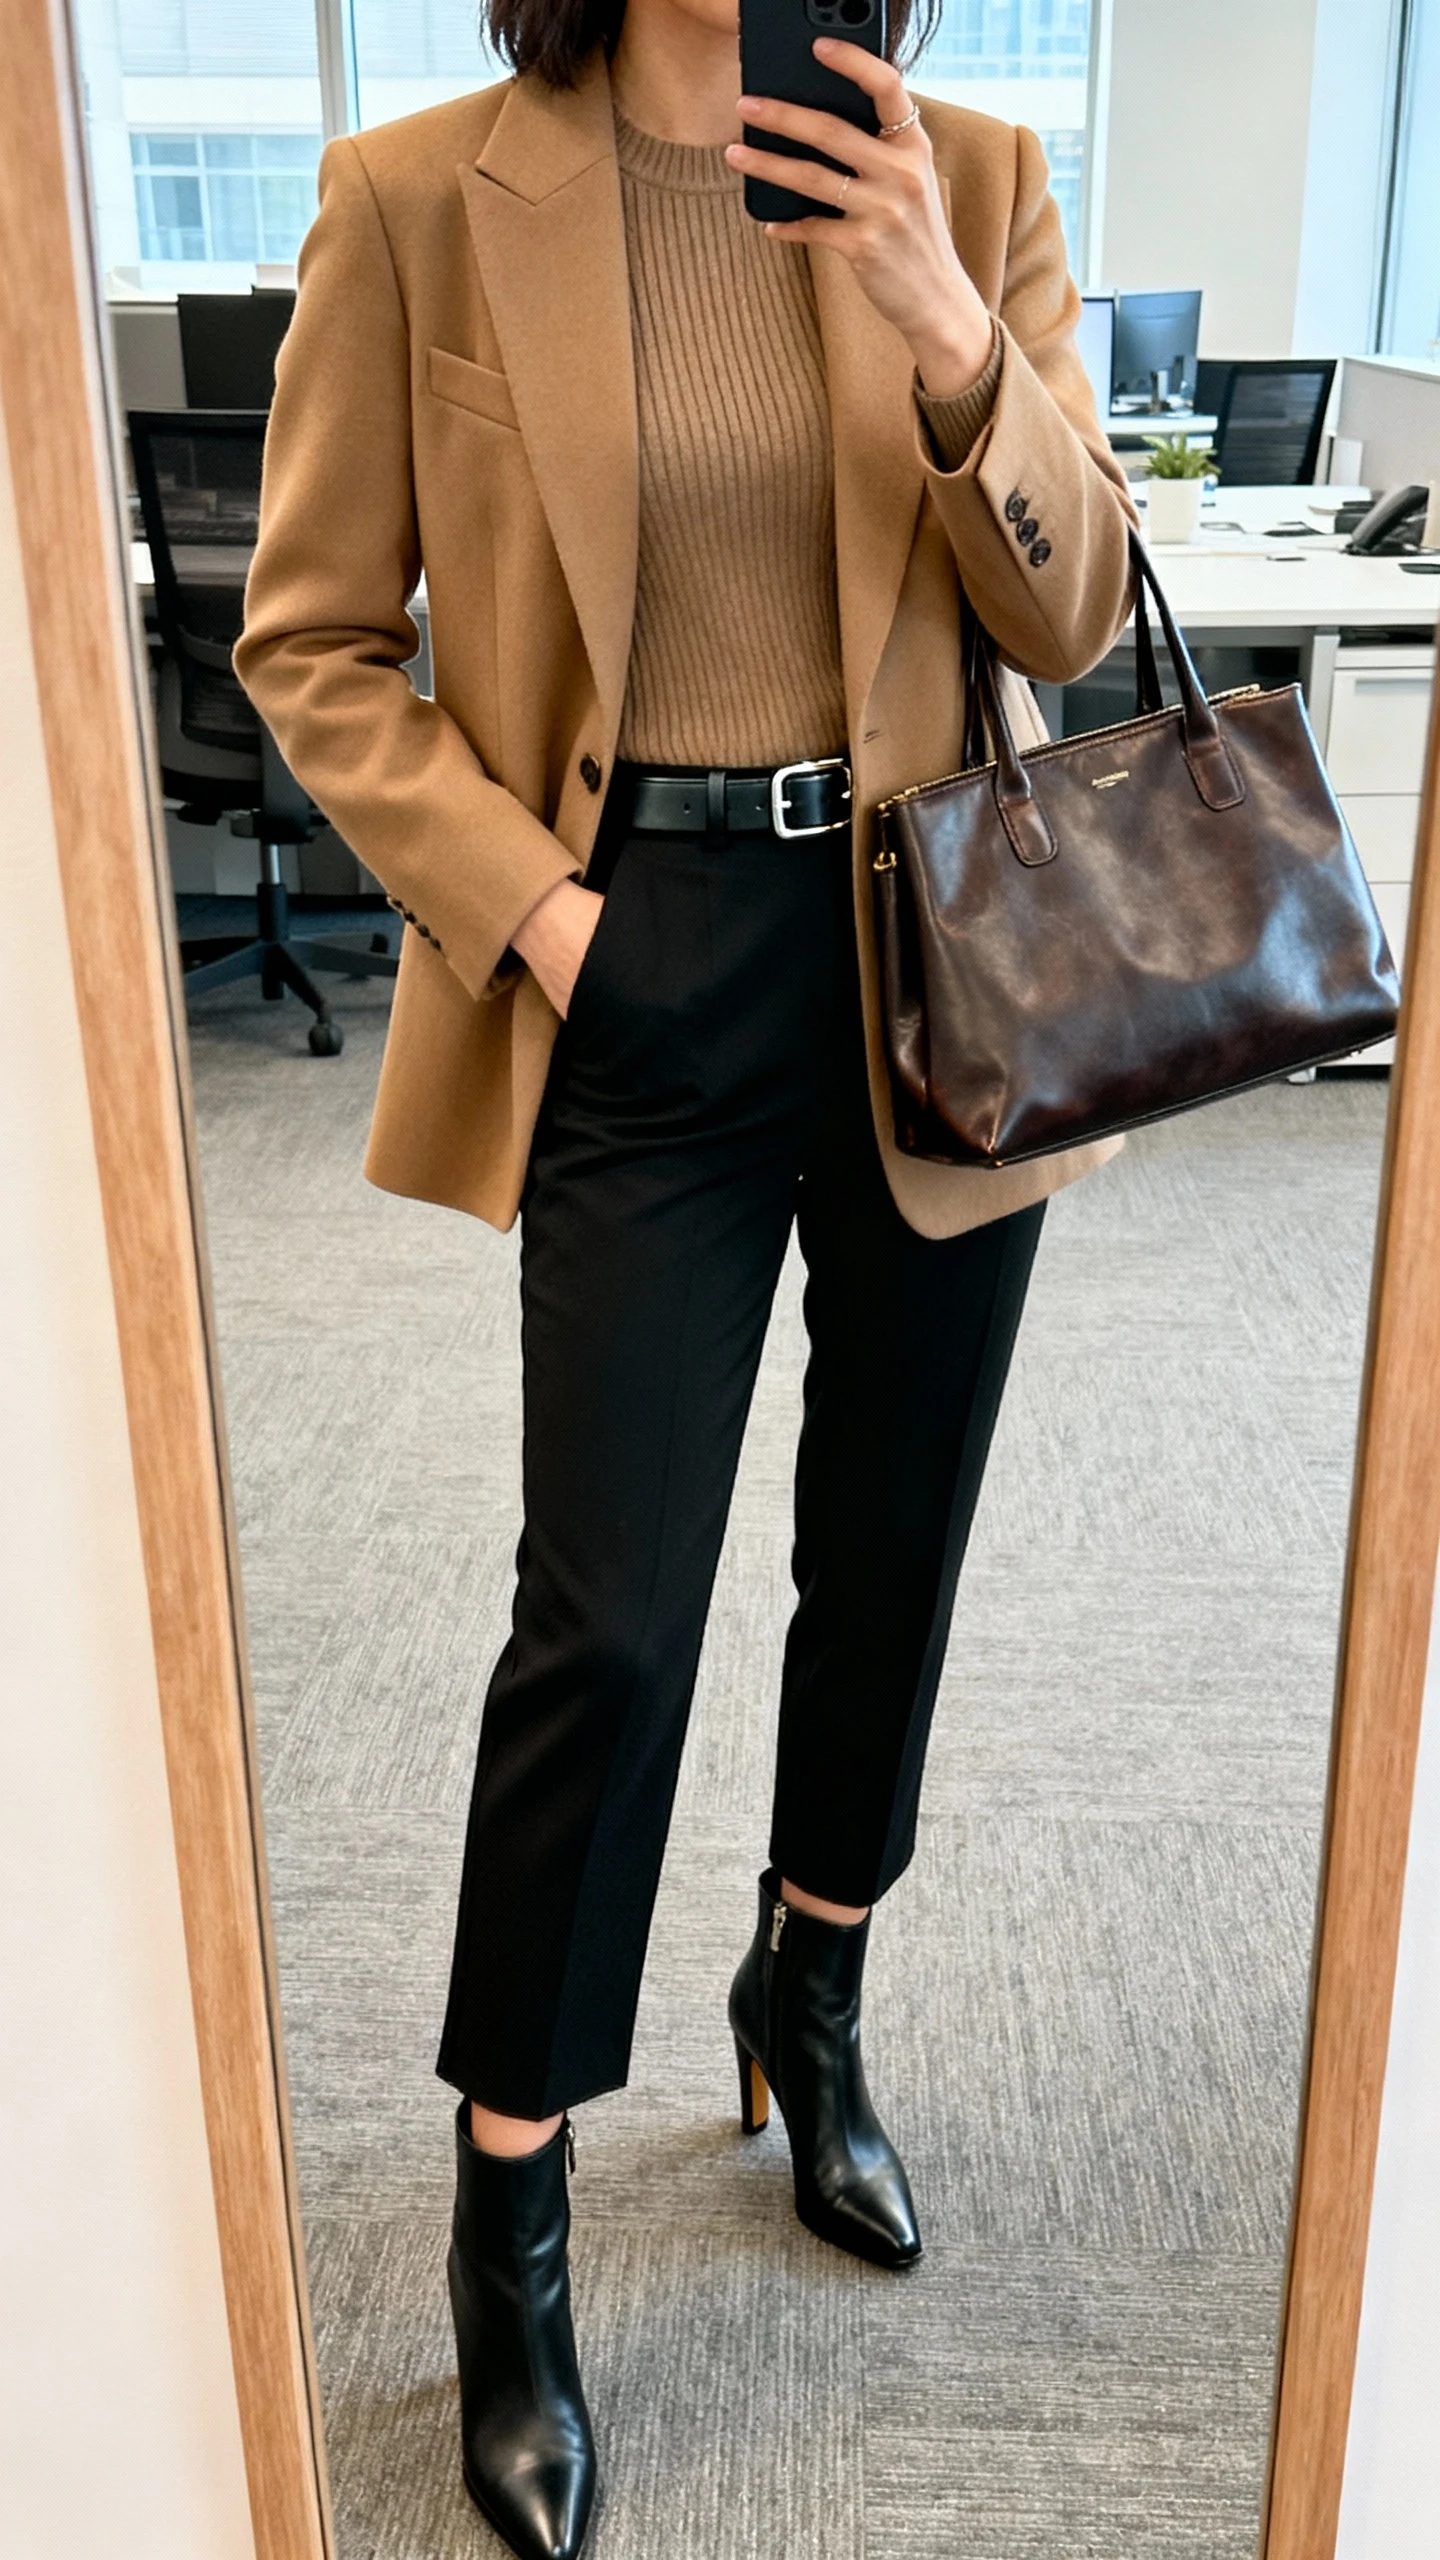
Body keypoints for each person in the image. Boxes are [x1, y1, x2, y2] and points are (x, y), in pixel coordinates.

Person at [237, 1, 1136, 2550]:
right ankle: (509, 2210)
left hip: (938, 954)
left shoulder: (960, 163)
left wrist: (952, 329)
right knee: (608, 1618)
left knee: (894, 1547)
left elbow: (1067, 626)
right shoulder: (421, 193)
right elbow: (311, 646)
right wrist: (546, 920)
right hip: (629, 959)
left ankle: (809, 1984)